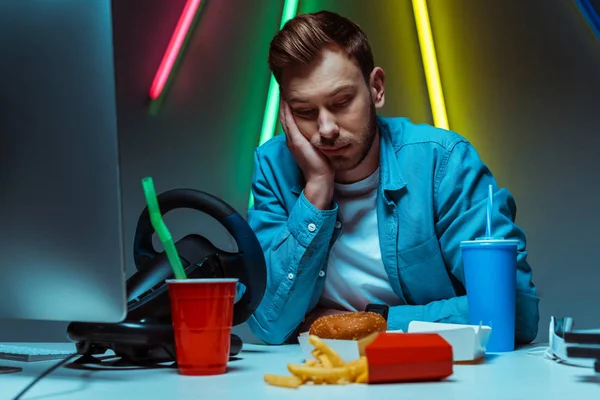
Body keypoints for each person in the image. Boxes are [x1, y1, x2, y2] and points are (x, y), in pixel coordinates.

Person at [245, 10, 539, 345]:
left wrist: (370, 322)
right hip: (322, 379)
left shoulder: (443, 162)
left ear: (376, 88)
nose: (326, 129)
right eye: (305, 112)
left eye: (341, 102)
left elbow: (514, 312)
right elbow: (269, 322)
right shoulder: (273, 166)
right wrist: (316, 192)